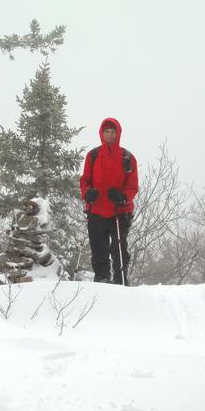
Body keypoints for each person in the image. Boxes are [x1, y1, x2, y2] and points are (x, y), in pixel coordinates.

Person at [79, 117, 139, 285]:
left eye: (113, 132)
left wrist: (123, 197)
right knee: (99, 249)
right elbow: (85, 181)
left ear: (118, 133)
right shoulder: (93, 155)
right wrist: (88, 193)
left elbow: (132, 185)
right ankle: (102, 280)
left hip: (120, 211)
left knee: (118, 248)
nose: (110, 135)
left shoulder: (127, 157)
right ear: (102, 133)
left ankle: (121, 281)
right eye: (107, 132)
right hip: (96, 209)